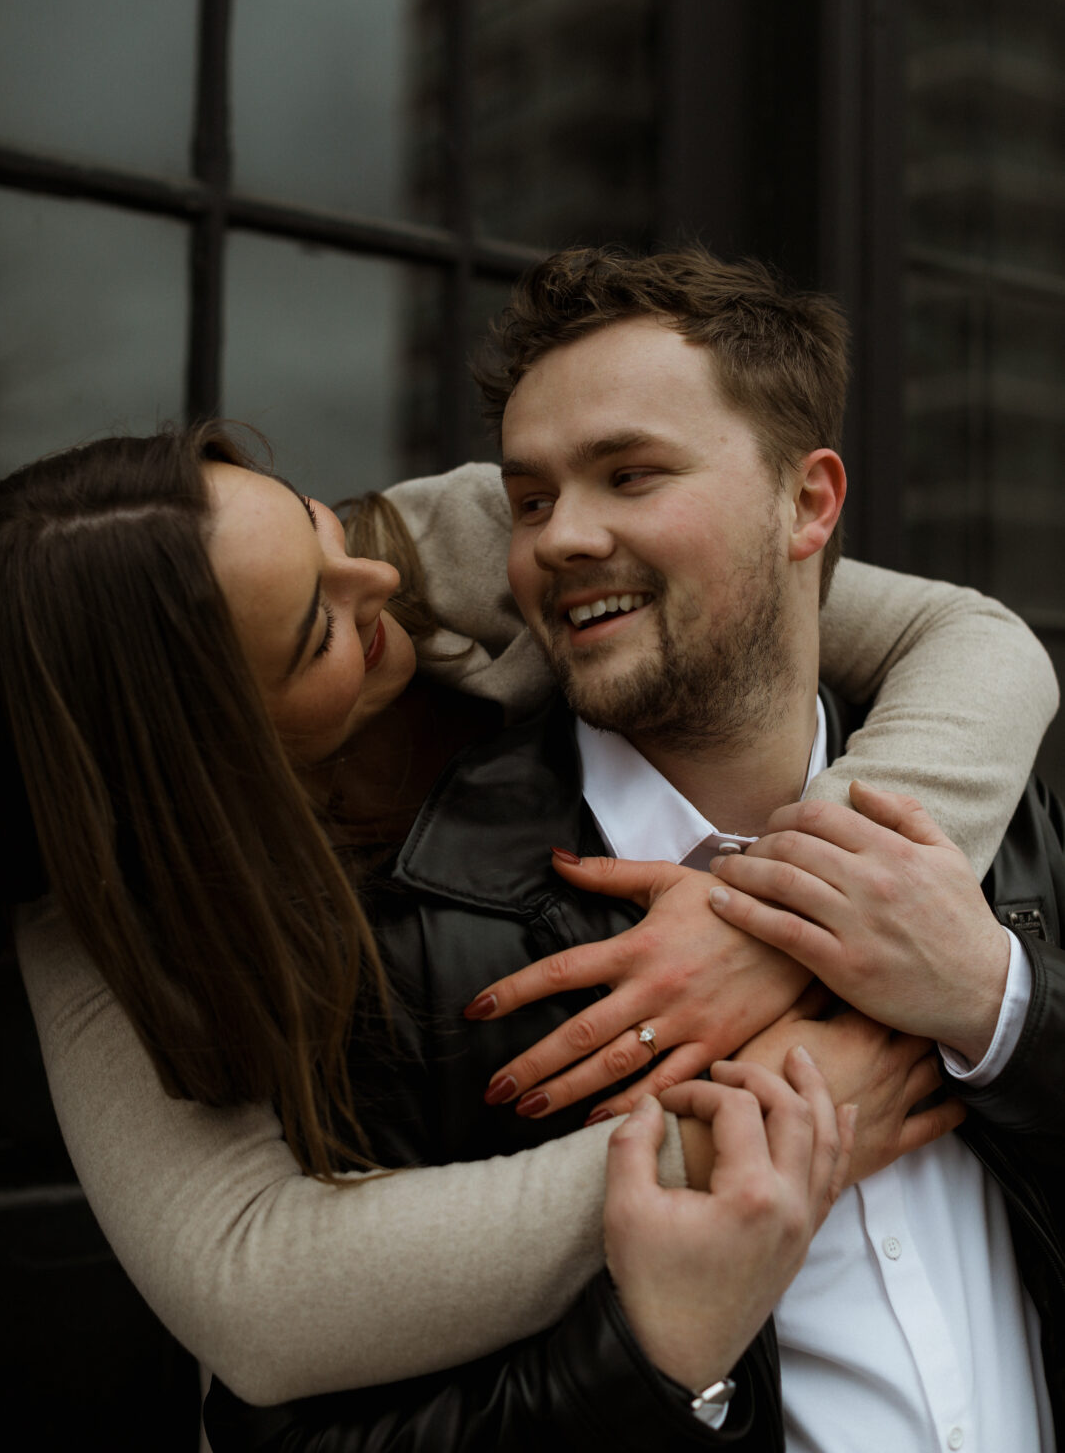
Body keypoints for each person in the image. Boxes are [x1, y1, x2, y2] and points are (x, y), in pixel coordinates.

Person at [201, 248, 1065, 1451]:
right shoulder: (412, 943)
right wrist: (662, 1361)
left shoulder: (1000, 807)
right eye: (532, 499)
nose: (559, 538)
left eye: (628, 473)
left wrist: (1003, 1010)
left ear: (807, 504)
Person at [11, 449, 1056, 1414]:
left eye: (317, 525)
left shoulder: (463, 536)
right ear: (201, 755)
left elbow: (973, 642)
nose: (374, 584)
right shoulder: (98, 918)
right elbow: (257, 1289)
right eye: (317, 630)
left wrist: (777, 915)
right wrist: (725, 1136)